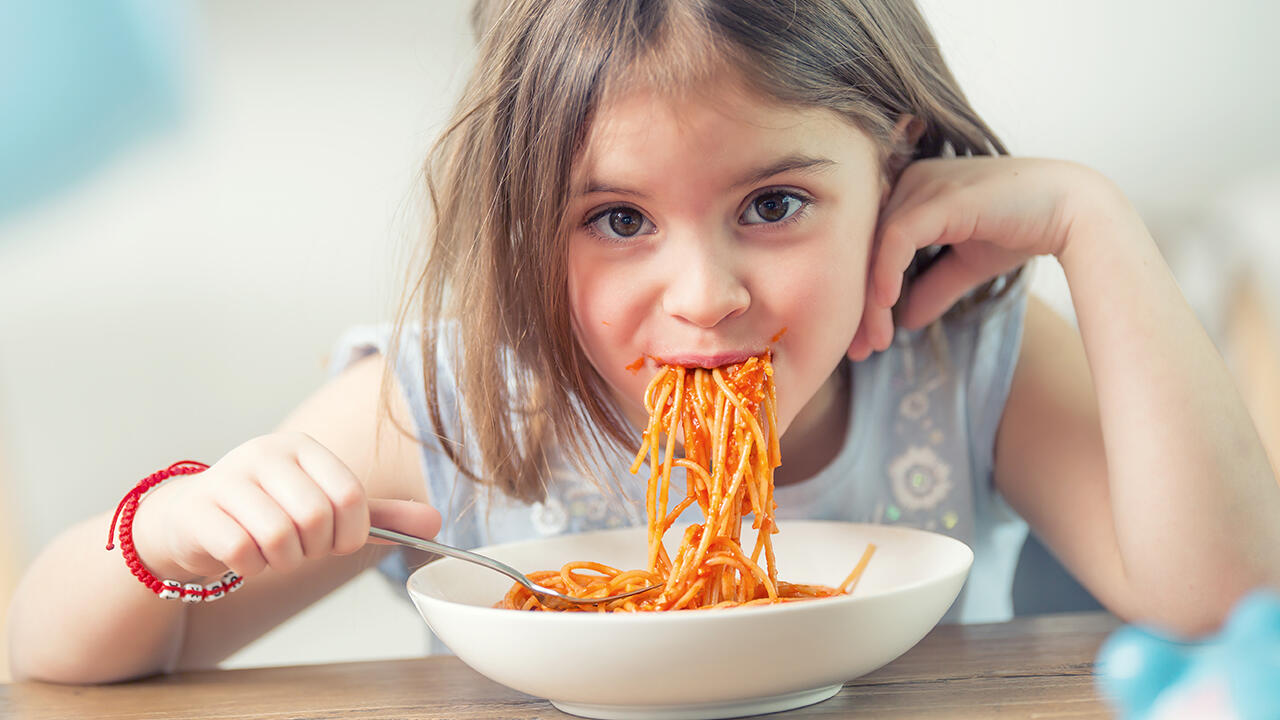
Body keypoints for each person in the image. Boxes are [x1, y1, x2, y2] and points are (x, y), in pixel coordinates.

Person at [8, 0, 1280, 684]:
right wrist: (169, 531)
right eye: (616, 219)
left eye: (773, 206)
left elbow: (1221, 602)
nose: (704, 294)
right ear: (521, 231)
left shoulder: (964, 360)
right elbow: (53, 654)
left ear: (893, 171)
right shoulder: (454, 403)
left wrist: (1091, 223)